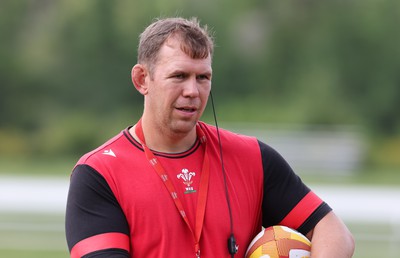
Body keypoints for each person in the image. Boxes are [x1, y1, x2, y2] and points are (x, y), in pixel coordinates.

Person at [65, 17, 355, 258]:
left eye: (203, 77)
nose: (193, 91)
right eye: (179, 76)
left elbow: (334, 231)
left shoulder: (252, 157)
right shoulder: (98, 173)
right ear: (142, 79)